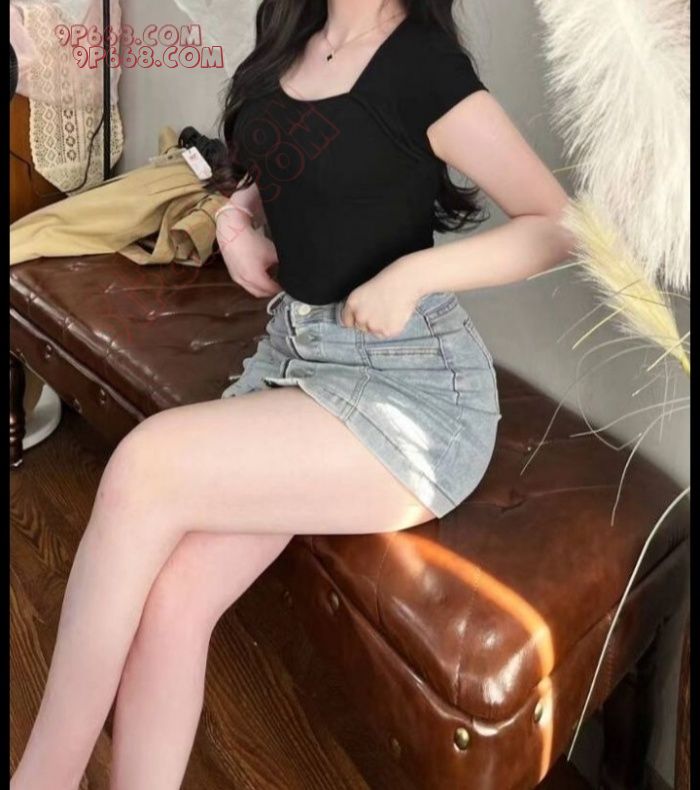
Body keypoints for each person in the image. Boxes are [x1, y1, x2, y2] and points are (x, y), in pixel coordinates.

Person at [10, 1, 574, 788]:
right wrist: (235, 221)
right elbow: (278, 161)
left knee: (142, 468)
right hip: (295, 354)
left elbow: (558, 224)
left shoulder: (420, 64)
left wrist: (414, 275)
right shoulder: (291, 37)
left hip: (412, 387)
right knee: (173, 603)